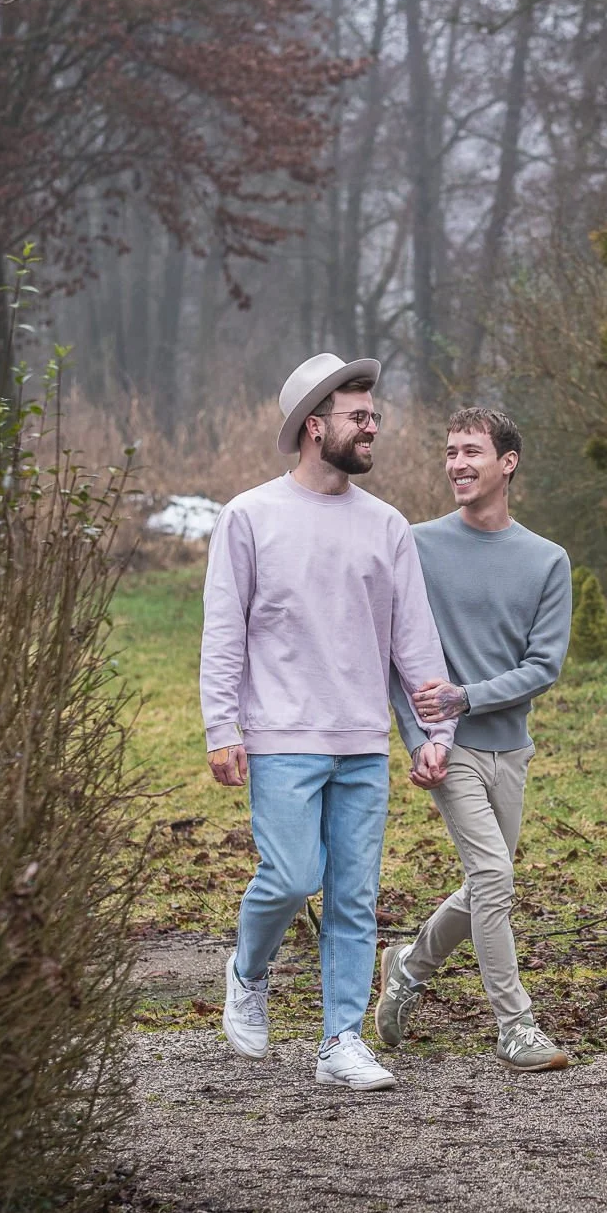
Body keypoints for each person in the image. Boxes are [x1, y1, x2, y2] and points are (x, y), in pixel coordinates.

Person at [201, 353, 457, 1091]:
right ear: (316, 426)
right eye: (358, 416)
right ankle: (248, 971)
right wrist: (222, 727)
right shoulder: (249, 517)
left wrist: (434, 734)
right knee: (290, 877)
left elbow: (415, 644)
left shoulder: (388, 526)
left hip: (361, 744)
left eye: (374, 415)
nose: (372, 426)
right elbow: (224, 632)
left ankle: (341, 1039)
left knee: (354, 895)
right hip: (280, 738)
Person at [374, 406, 573, 1072]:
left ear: (507, 463)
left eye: (471, 451)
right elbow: (395, 654)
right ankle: (515, 1026)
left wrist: (470, 694)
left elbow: (543, 666)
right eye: (450, 451)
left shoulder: (547, 561)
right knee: (493, 875)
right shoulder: (416, 545)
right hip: (449, 746)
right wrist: (421, 737)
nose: (456, 463)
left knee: (486, 882)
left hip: (510, 747)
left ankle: (408, 965)